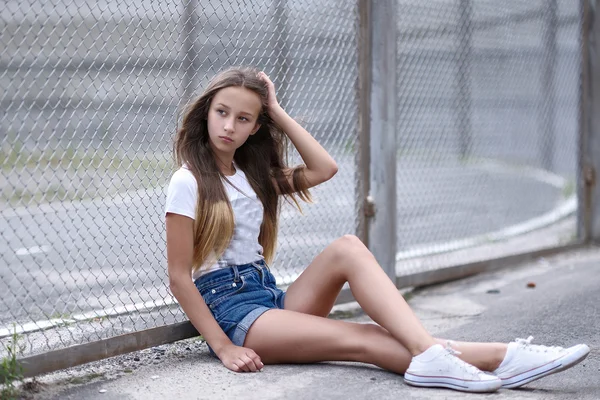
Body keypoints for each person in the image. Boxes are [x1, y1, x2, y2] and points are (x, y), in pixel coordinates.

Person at [164, 66, 589, 393]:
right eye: (222, 113)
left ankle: (455, 355)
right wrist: (224, 347)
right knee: (363, 337)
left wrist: (276, 111)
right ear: (207, 112)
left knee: (348, 246)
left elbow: (323, 168)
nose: (228, 126)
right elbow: (180, 277)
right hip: (236, 314)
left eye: (243, 118)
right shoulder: (189, 181)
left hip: (271, 298)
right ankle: (501, 356)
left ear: (255, 127)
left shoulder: (251, 174)